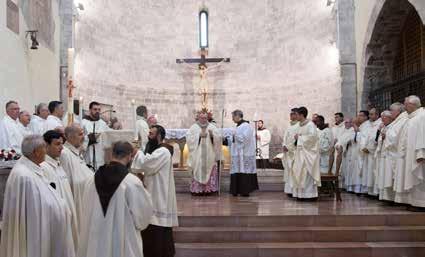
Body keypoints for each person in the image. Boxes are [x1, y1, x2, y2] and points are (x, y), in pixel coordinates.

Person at [0, 135, 75, 257]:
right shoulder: (23, 176)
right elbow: (31, 212)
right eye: (44, 148)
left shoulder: (32, 169)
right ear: (36, 152)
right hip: (34, 235)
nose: (46, 151)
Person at [78, 141, 153, 257]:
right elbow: (142, 218)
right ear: (129, 156)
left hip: (95, 241)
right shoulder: (132, 182)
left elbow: (86, 210)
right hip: (122, 242)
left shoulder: (91, 180)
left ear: (112, 154)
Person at [132, 125, 178, 257]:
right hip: (155, 190)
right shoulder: (158, 150)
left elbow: (148, 164)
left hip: (159, 194)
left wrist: (137, 153)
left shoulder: (163, 151)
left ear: (158, 136)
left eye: (151, 134)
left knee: (157, 224)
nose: (148, 136)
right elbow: (149, 168)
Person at [41, 130, 79, 251]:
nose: (62, 148)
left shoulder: (58, 163)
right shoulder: (44, 167)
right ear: (46, 146)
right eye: (57, 144)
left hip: (68, 215)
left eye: (62, 144)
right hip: (58, 221)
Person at [61, 123, 94, 233]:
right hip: (75, 200)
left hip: (84, 198)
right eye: (80, 134)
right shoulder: (65, 154)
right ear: (70, 136)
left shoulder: (75, 152)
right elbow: (66, 183)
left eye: (83, 134)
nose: (83, 137)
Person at [186, 111, 222, 195]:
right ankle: (198, 190)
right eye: (201, 118)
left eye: (205, 118)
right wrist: (198, 136)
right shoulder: (193, 127)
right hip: (198, 154)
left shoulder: (212, 127)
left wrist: (213, 136)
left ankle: (209, 189)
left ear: (208, 118)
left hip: (210, 154)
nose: (203, 119)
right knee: (198, 168)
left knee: (210, 168)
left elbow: (219, 138)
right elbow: (188, 138)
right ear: (198, 118)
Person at [401, 96, 425, 211]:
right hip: (411, 153)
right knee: (413, 178)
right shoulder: (412, 118)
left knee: (420, 179)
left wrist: (421, 153)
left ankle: (422, 204)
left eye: (406, 104)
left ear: (413, 104)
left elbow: (422, 136)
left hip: (419, 155)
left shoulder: (422, 116)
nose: (404, 106)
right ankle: (415, 202)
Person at [291, 107, 321, 200]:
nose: (296, 116)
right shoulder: (300, 125)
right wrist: (297, 139)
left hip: (308, 154)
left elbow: (313, 138)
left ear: (301, 115)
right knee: (299, 173)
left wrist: (299, 138)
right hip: (300, 153)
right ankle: (301, 195)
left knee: (306, 174)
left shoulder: (310, 125)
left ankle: (309, 195)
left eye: (297, 115)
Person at [228, 110, 258, 197]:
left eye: (233, 117)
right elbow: (235, 139)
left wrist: (234, 135)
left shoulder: (247, 126)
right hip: (238, 154)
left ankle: (245, 191)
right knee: (237, 170)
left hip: (245, 154)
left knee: (244, 170)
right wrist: (229, 138)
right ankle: (236, 190)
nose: (232, 119)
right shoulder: (238, 126)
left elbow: (245, 139)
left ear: (238, 116)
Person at [81, 101, 111, 170]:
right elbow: (79, 140)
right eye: (95, 109)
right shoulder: (83, 123)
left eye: (99, 109)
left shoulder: (103, 124)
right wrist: (90, 138)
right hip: (87, 156)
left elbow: (110, 134)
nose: (97, 111)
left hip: (100, 156)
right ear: (90, 110)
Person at [360, 108, 382, 196]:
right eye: (369, 114)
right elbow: (363, 137)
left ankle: (375, 192)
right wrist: (363, 147)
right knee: (368, 172)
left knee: (374, 172)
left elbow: (376, 138)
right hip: (366, 152)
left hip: (374, 152)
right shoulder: (367, 124)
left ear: (377, 115)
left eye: (372, 114)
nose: (370, 116)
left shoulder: (380, 124)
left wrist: (369, 148)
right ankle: (369, 191)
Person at [374, 111, 394, 202]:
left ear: (389, 118)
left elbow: (393, 139)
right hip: (382, 155)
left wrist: (385, 137)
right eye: (381, 118)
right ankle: (383, 196)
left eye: (384, 118)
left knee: (388, 177)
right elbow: (377, 140)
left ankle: (389, 197)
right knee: (382, 176)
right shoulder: (383, 127)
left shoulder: (392, 127)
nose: (382, 120)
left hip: (389, 156)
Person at [281, 108, 299, 195]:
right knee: (288, 171)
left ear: (297, 115)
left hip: (294, 152)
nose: (291, 116)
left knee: (294, 171)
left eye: (293, 114)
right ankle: (289, 190)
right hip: (288, 152)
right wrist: (284, 145)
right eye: (290, 114)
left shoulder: (299, 125)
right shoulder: (289, 126)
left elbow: (296, 139)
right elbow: (285, 137)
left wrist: (289, 147)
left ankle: (294, 190)